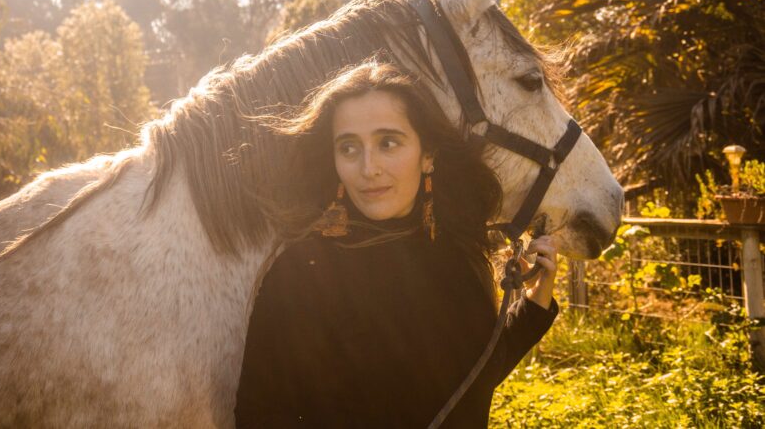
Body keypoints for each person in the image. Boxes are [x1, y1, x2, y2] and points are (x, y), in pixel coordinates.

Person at [234, 61, 559, 428]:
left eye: (388, 142)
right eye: (349, 147)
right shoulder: (302, 272)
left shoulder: (456, 258)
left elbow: (468, 380)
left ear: (428, 156)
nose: (368, 167)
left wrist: (532, 305)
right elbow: (259, 415)